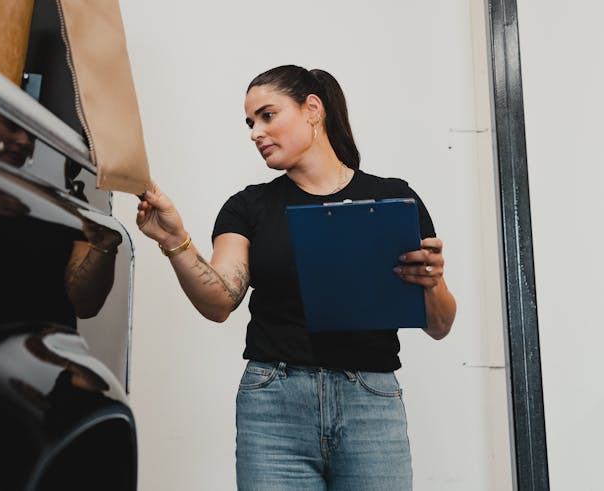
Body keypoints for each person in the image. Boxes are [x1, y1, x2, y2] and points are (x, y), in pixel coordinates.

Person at [137, 65, 456, 490]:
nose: (255, 132)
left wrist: (431, 281)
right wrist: (175, 240)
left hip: (371, 401)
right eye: (250, 123)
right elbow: (219, 300)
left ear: (312, 110)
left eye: (267, 116)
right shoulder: (247, 207)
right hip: (273, 402)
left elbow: (440, 325)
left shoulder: (394, 197)